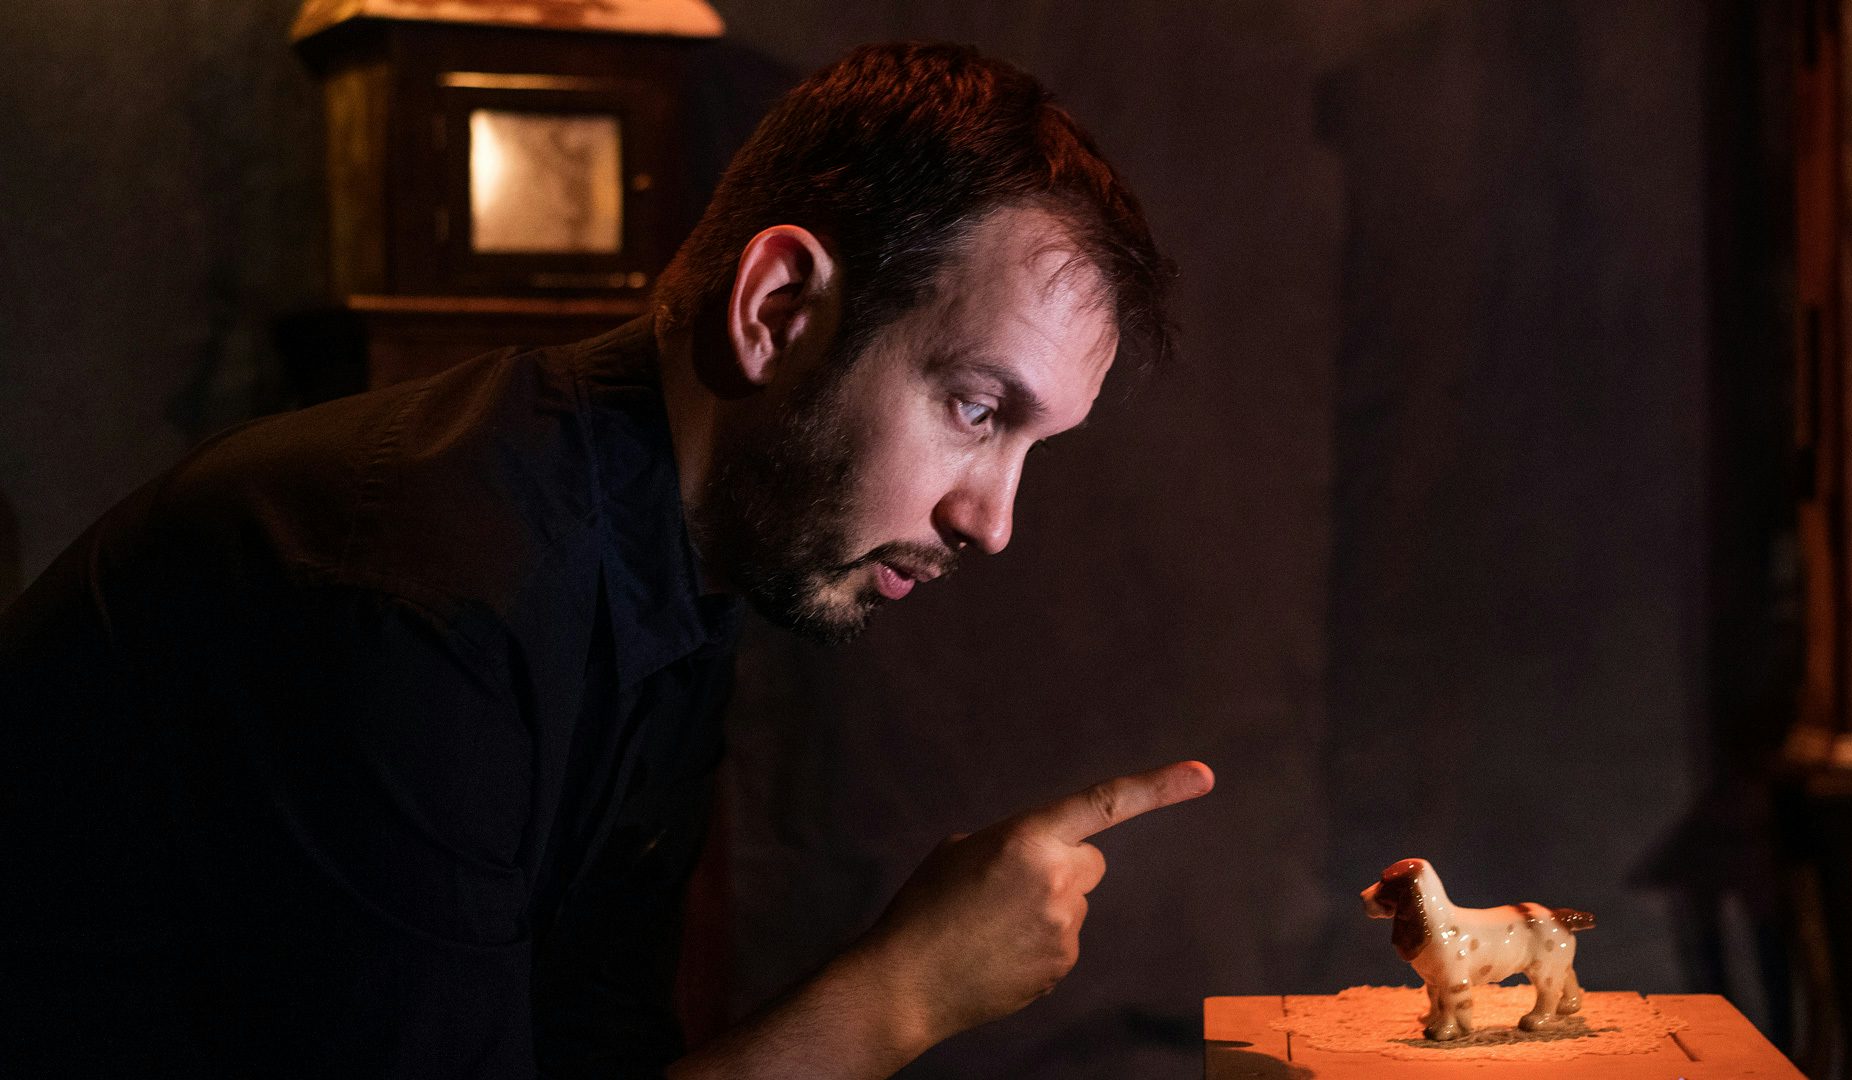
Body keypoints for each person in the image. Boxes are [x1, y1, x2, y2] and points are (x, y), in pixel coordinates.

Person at [0, 41, 1211, 1079]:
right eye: (978, 409)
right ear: (778, 310)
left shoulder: (680, 563)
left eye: (1033, 443)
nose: (993, 523)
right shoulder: (422, 596)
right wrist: (901, 997)